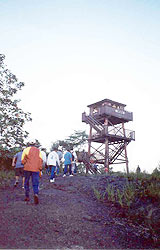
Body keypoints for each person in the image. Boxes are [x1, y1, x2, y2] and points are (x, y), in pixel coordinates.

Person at [22, 140, 43, 205]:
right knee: (35, 182)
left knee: (26, 182)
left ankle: (27, 196)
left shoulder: (25, 150)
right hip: (36, 169)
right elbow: (41, 160)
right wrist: (40, 168)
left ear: (29, 144)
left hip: (27, 168)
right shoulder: (38, 150)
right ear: (35, 144)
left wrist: (25, 163)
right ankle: (36, 194)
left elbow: (22, 160)